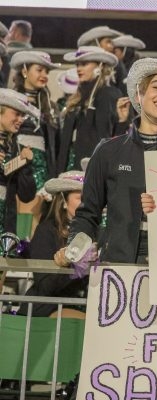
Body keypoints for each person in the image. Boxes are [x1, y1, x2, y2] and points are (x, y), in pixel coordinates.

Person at [54, 58, 157, 266]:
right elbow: (88, 213)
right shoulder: (108, 150)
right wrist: (74, 248)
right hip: (118, 262)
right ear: (139, 95)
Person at [17, 170, 87, 317]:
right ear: (64, 202)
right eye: (80, 198)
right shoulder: (46, 231)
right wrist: (75, 264)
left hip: (81, 307)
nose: (86, 204)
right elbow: (46, 286)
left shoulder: (97, 234)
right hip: (45, 312)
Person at [10, 50, 62, 237]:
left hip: (43, 170)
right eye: (39, 70)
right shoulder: (10, 101)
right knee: (15, 219)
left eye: (47, 72)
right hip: (17, 167)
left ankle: (25, 259)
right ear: (24, 71)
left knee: (34, 228)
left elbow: (54, 146)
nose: (44, 75)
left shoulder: (50, 106)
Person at [57, 46, 129, 173]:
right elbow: (64, 146)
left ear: (100, 66)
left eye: (84, 64)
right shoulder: (77, 97)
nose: (78, 69)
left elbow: (107, 136)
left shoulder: (108, 94)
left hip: (96, 170)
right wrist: (58, 175)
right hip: (73, 169)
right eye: (77, 65)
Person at [0, 88, 37, 235]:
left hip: (6, 229)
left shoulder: (16, 148)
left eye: (23, 115)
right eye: (16, 113)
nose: (21, 119)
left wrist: (25, 164)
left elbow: (26, 196)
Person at [77, 25, 127, 94]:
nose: (112, 46)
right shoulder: (82, 68)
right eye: (108, 42)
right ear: (96, 43)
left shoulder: (117, 65)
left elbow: (124, 91)